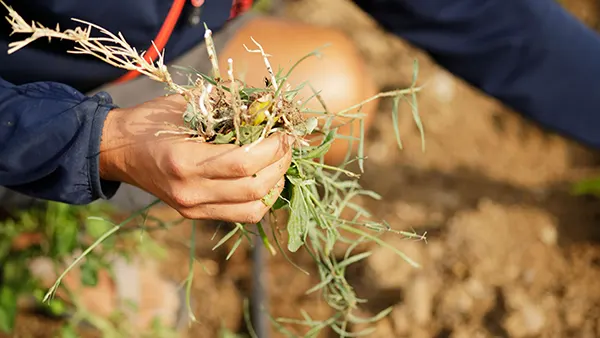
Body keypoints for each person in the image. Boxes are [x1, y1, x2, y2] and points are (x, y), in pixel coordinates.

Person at [1, 0, 600, 332]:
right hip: (24, 95)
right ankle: (38, 228)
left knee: (324, 89)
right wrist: (96, 142)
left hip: (150, 60)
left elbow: (483, 16)